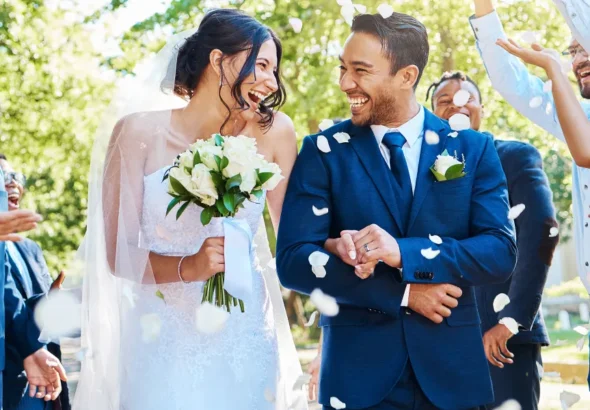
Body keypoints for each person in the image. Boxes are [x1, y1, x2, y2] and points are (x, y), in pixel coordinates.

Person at [277, 11, 517, 410]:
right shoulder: (323, 151)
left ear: (406, 76)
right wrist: (404, 292)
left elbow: (499, 251)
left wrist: (403, 253)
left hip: (453, 379)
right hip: (356, 380)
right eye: (342, 68)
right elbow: (293, 260)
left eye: (360, 70)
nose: (345, 83)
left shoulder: (474, 149)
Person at [73, 9, 307, 410]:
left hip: (245, 338)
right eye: (262, 65)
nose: (271, 82)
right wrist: (190, 267)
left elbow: (296, 238)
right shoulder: (136, 134)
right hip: (162, 338)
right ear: (218, 60)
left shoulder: (275, 132)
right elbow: (118, 254)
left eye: (274, 70)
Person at [469, 0, 590, 389]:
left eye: (585, 44)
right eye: (572, 50)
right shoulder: (578, 119)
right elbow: (513, 82)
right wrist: (483, 6)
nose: (578, 58)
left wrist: (553, 66)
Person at [428, 71, 558, 409]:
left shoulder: (515, 157)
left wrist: (510, 321)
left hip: (504, 341)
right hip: (441, 345)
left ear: (481, 107)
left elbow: (541, 234)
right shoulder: (422, 176)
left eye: (466, 96)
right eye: (444, 100)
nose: (456, 103)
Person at [0, 154, 70, 410]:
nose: (13, 184)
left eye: (16, 177)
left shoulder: (29, 248)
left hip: (40, 383)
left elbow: (31, 309)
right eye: (3, 178)